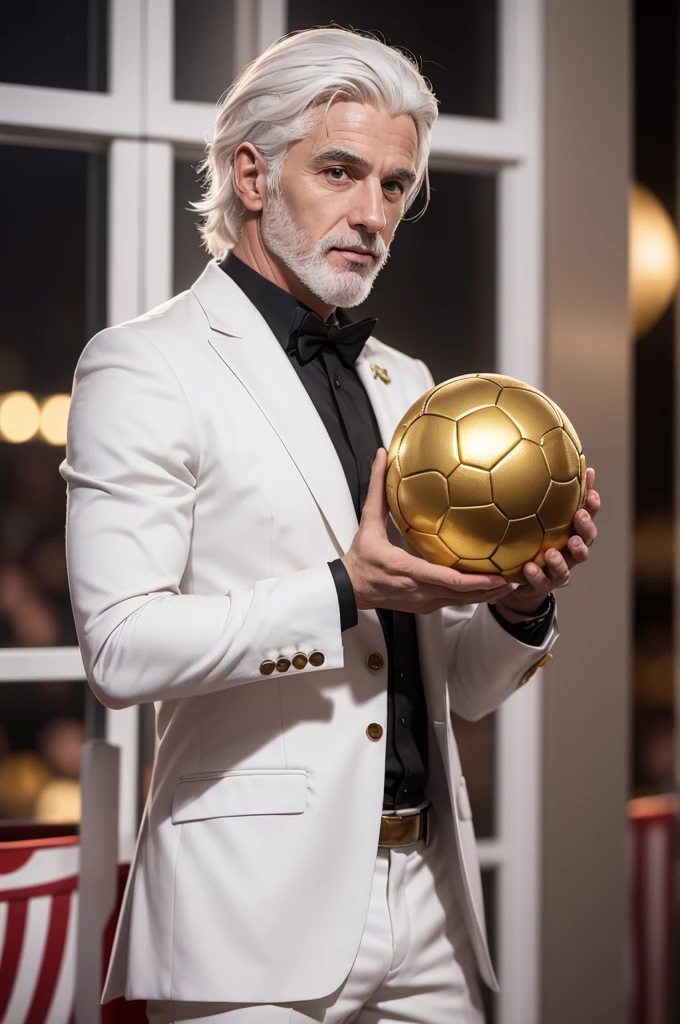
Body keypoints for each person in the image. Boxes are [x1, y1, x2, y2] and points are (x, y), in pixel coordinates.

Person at [60, 27, 600, 1024]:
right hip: (243, 919)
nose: (371, 212)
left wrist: (522, 605)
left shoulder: (410, 387)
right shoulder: (144, 364)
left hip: (430, 903)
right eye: (341, 171)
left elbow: (461, 691)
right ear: (253, 175)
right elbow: (121, 649)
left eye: (394, 186)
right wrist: (346, 586)